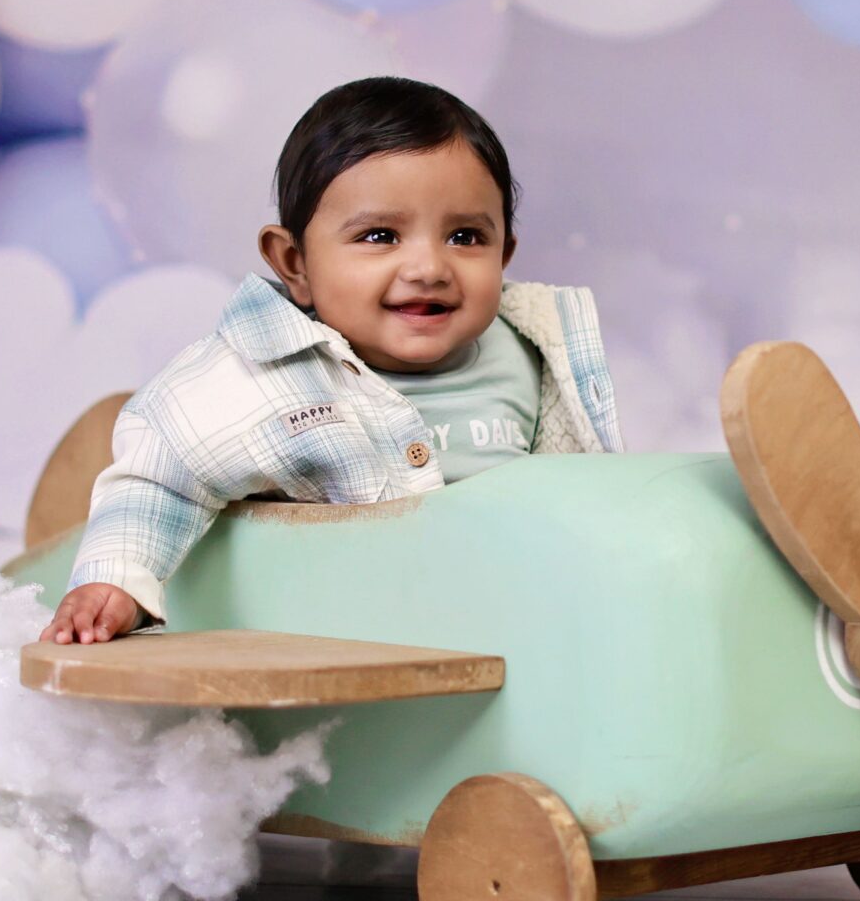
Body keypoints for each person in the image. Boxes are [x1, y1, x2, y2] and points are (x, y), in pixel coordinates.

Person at [40, 77, 622, 645]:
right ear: (294, 263)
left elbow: (577, 487)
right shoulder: (258, 376)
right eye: (379, 236)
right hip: (336, 631)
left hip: (504, 623)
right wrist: (114, 580)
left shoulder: (531, 351)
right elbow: (162, 478)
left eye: (466, 237)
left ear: (505, 255)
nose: (428, 268)